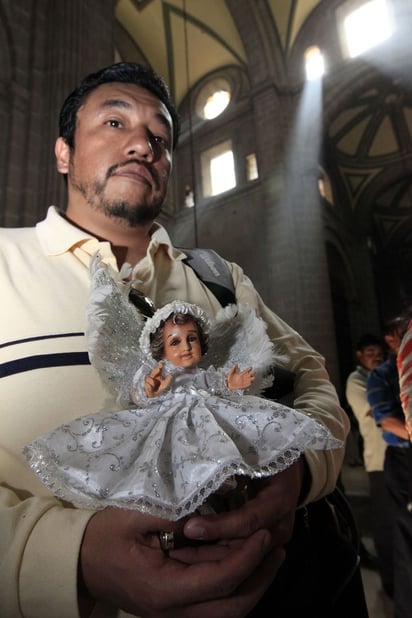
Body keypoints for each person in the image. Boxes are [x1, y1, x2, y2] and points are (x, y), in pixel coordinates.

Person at [0, 62, 361, 618]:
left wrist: (300, 472)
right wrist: (71, 556)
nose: (143, 144)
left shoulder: (220, 277)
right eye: (115, 123)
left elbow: (314, 381)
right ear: (63, 152)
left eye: (160, 137)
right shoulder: (4, 262)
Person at [24, 291, 341, 520]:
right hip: (168, 420)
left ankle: (219, 493)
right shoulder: (159, 373)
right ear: (161, 349)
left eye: (191, 339)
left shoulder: (200, 372)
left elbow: (210, 382)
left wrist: (231, 384)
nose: (186, 347)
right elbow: (141, 393)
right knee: (162, 459)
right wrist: (148, 389)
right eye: (176, 341)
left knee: (219, 454)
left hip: (205, 418)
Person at [367, 316, 411, 618]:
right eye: (401, 334)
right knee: (407, 543)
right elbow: (384, 417)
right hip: (403, 460)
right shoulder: (381, 375)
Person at [345, 333, 393, 598]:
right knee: (386, 523)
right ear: (360, 356)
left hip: (397, 455)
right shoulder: (357, 380)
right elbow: (377, 412)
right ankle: (391, 582)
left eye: (379, 353)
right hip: (379, 459)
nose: (376, 356)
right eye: (370, 353)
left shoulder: (385, 377)